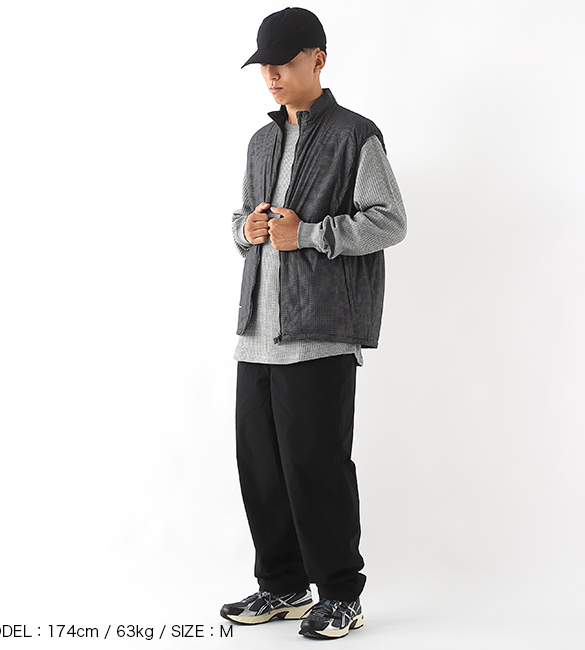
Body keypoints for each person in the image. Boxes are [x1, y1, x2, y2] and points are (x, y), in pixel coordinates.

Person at [221, 7, 407, 640]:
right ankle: (282, 587)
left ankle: (341, 596)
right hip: (257, 331)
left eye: (283, 62)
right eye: (264, 66)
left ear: (318, 59)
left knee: (317, 468)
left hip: (320, 333)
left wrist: (310, 234)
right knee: (261, 469)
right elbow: (243, 222)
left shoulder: (356, 135)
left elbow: (389, 220)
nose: (271, 75)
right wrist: (246, 229)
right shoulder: (261, 142)